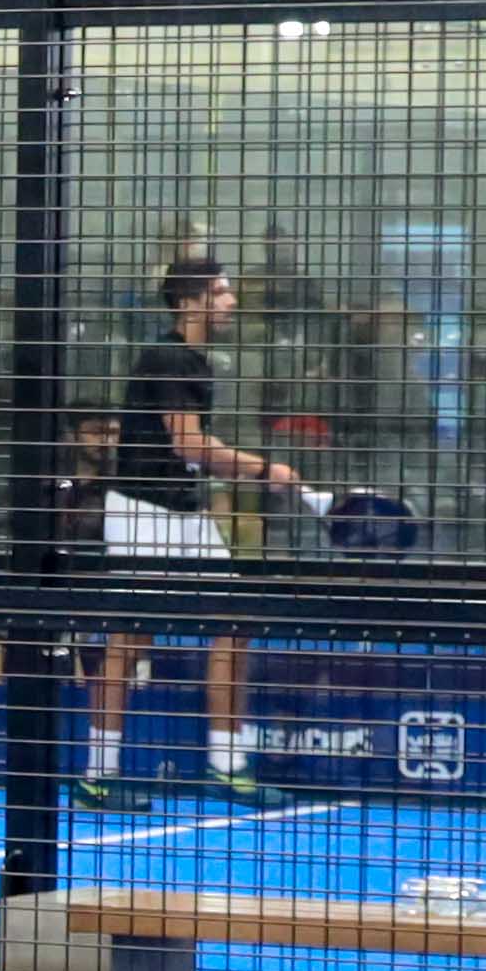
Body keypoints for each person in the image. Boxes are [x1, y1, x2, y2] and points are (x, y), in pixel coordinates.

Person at [86, 255, 326, 806]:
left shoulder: (196, 361)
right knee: (130, 639)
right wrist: (266, 471)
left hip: (185, 512)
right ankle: (98, 777)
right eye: (219, 292)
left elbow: (195, 453)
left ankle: (227, 766)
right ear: (188, 302)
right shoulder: (168, 357)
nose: (231, 301)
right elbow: (189, 445)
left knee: (234, 622)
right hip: (142, 512)